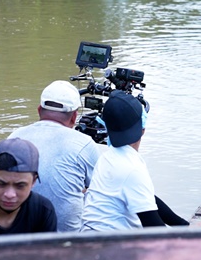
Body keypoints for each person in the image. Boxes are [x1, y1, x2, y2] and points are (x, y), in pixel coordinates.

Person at [81, 90, 189, 231]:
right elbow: (154, 228)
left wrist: (184, 225)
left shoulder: (108, 157)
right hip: (110, 247)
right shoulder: (132, 168)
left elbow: (147, 199)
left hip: (90, 238)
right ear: (142, 128)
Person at [9, 80, 101, 232]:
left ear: (39, 110)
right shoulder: (83, 143)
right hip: (65, 242)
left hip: (18, 237)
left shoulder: (14, 136)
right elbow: (99, 190)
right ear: (74, 117)